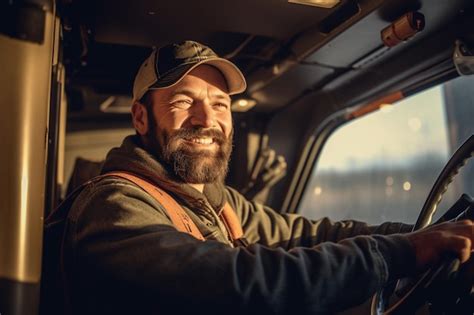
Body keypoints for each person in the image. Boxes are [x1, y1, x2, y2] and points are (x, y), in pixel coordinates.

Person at [48, 41, 473, 315]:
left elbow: (306, 235)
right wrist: (398, 255)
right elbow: (238, 283)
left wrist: (419, 236)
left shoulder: (213, 200)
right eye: (183, 101)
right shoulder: (113, 208)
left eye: (220, 104)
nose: (206, 119)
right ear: (141, 117)